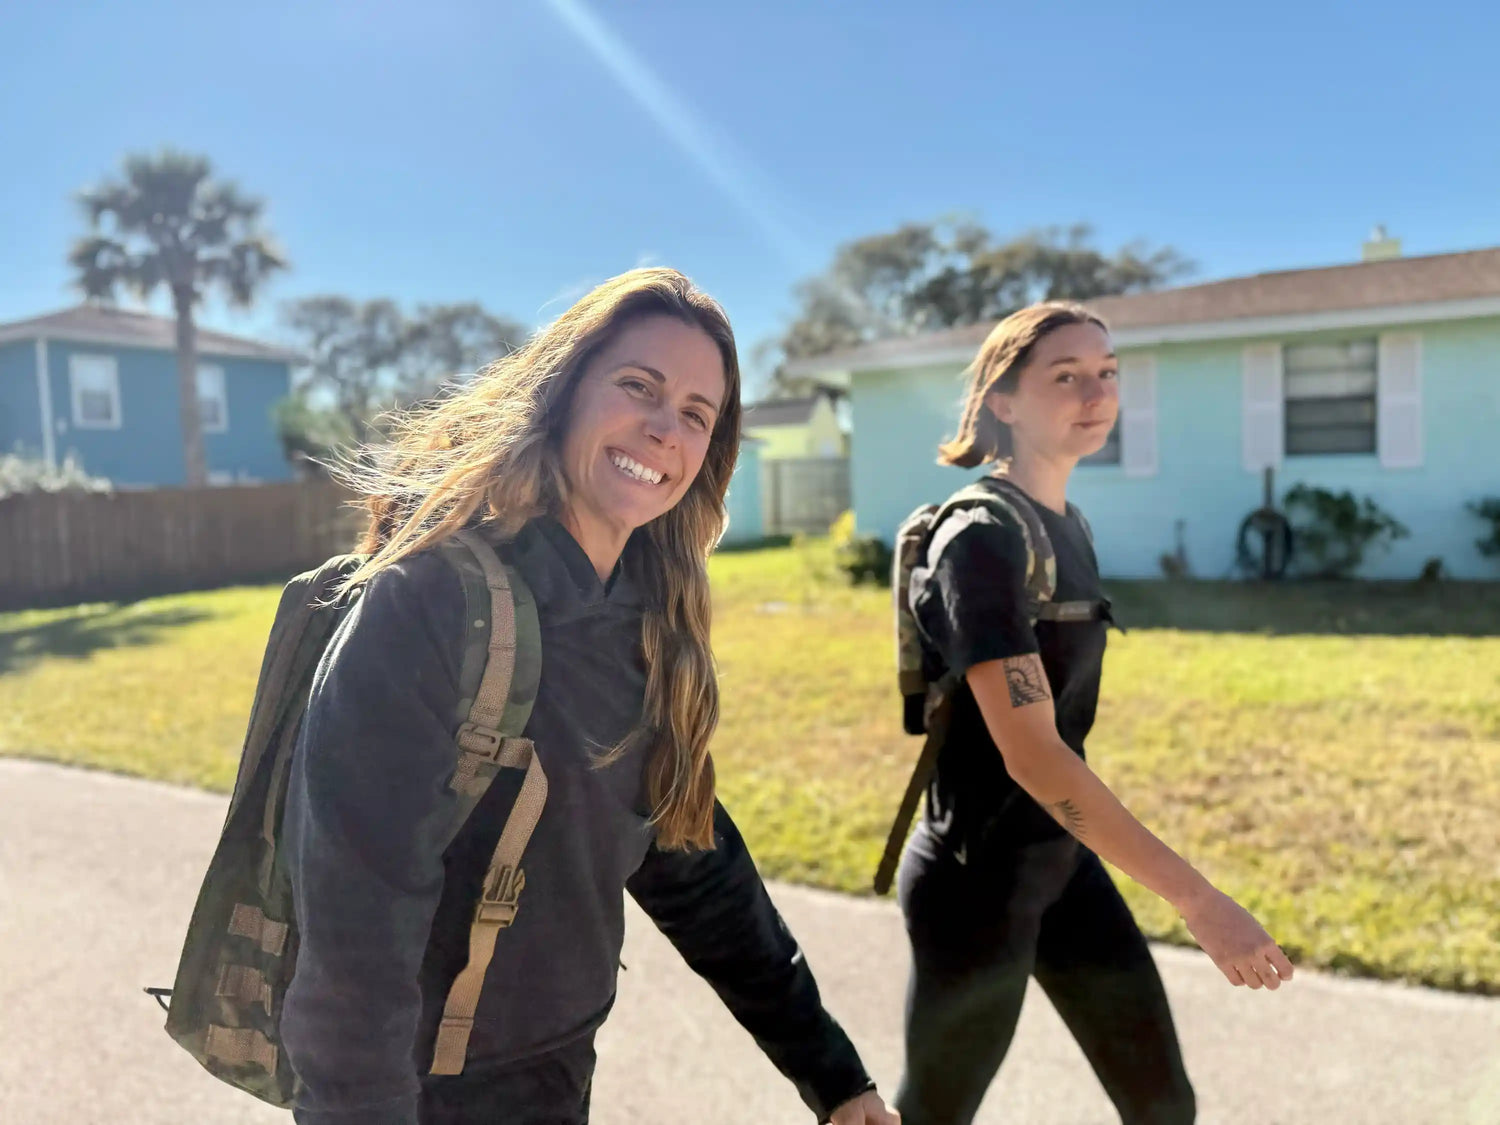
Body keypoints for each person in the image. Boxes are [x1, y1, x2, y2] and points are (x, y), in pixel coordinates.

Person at [279, 267, 899, 1125]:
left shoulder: (649, 622)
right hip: (425, 1097)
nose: (663, 428)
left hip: (556, 1079)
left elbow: (693, 861)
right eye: (638, 386)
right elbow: (355, 932)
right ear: (563, 391)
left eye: (694, 413)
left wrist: (833, 1074)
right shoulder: (431, 601)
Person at [894, 302, 1294, 1125]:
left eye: (1108, 373)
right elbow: (1034, 753)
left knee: (1160, 1102)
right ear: (1002, 401)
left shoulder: (1065, 523)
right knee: (937, 1111)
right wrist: (1200, 899)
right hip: (979, 880)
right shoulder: (982, 537)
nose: (1097, 392)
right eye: (1066, 376)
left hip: (1061, 861)